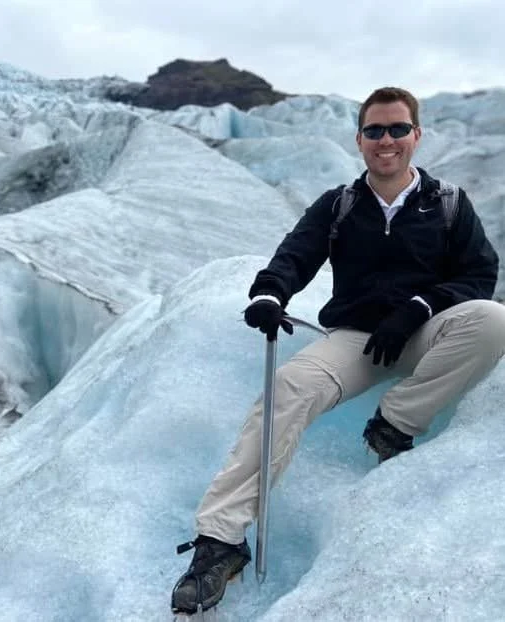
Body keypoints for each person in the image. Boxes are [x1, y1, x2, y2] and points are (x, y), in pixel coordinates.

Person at [170, 86, 505, 616]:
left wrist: (420, 306)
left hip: (426, 330)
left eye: (398, 129)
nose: (386, 140)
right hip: (355, 340)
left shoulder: (447, 204)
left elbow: (479, 275)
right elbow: (295, 255)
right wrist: (268, 294)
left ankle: (395, 422)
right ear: (359, 140)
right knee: (287, 390)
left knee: (493, 320)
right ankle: (220, 541)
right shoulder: (341, 204)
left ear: (417, 135)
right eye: (375, 131)